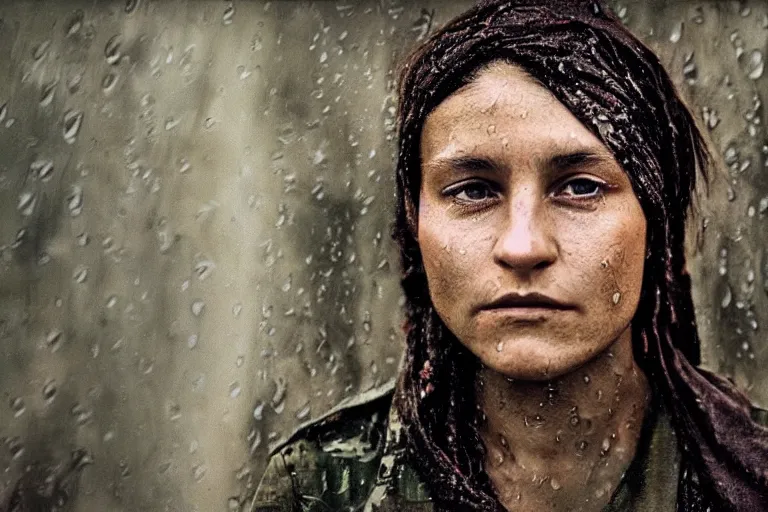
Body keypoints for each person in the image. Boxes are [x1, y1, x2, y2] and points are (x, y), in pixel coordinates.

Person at [248, 1, 768, 511]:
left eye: (581, 187)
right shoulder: (319, 487)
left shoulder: (752, 477)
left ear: (656, 223)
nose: (523, 247)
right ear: (415, 225)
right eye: (474, 191)